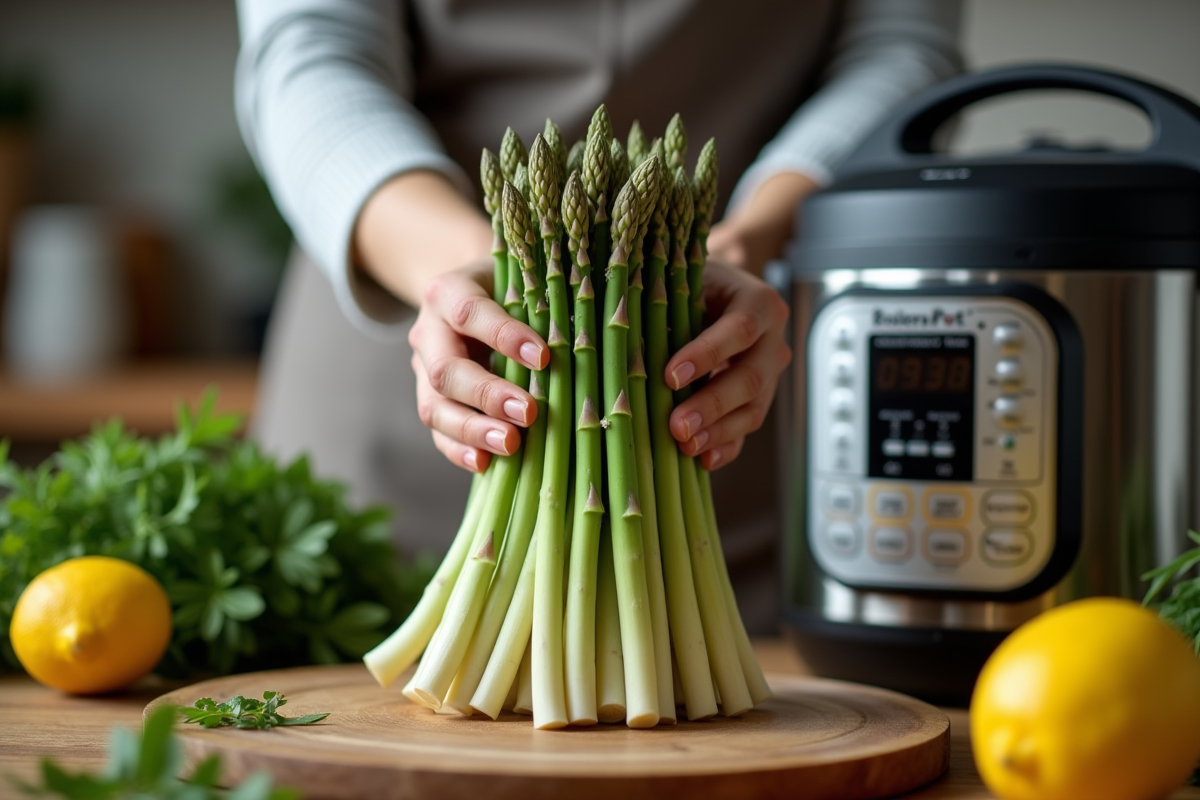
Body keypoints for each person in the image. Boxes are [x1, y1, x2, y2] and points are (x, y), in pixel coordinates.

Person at [234, 0, 962, 632]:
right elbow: (309, 51)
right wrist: (474, 272)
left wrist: (753, 238)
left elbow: (901, 50)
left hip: (723, 399)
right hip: (400, 374)